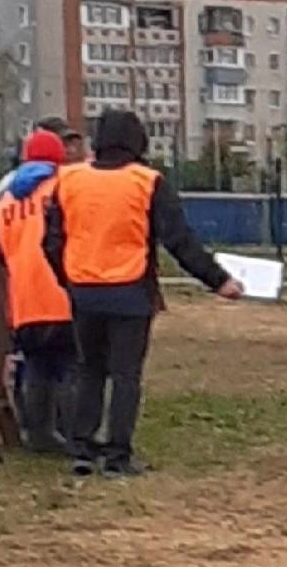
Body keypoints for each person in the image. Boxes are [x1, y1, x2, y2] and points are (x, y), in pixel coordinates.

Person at [40, 109, 243, 477]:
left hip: (84, 290)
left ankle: (83, 450)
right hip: (130, 292)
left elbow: (51, 241)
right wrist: (218, 280)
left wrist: (68, 280)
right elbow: (179, 241)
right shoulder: (147, 181)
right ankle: (118, 455)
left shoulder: (68, 180)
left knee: (89, 370)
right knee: (125, 374)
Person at [0, 129, 74, 452]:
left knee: (37, 366)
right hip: (62, 293)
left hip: (24, 300)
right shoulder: (63, 187)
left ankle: (38, 434)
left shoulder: (7, 200)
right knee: (69, 367)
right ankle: (75, 433)